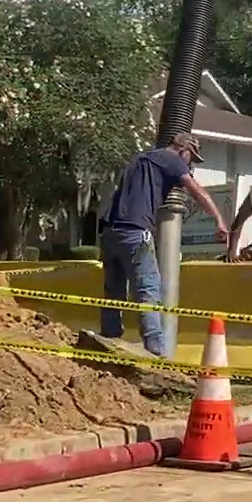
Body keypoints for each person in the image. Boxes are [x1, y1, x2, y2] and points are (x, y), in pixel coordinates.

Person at [99, 132, 227, 358]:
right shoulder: (173, 160)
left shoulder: (140, 159)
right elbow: (197, 191)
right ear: (183, 150)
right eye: (191, 159)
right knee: (148, 289)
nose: (190, 165)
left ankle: (109, 340)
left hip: (110, 231)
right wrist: (219, 219)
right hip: (136, 231)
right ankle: (156, 350)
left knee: (114, 290)